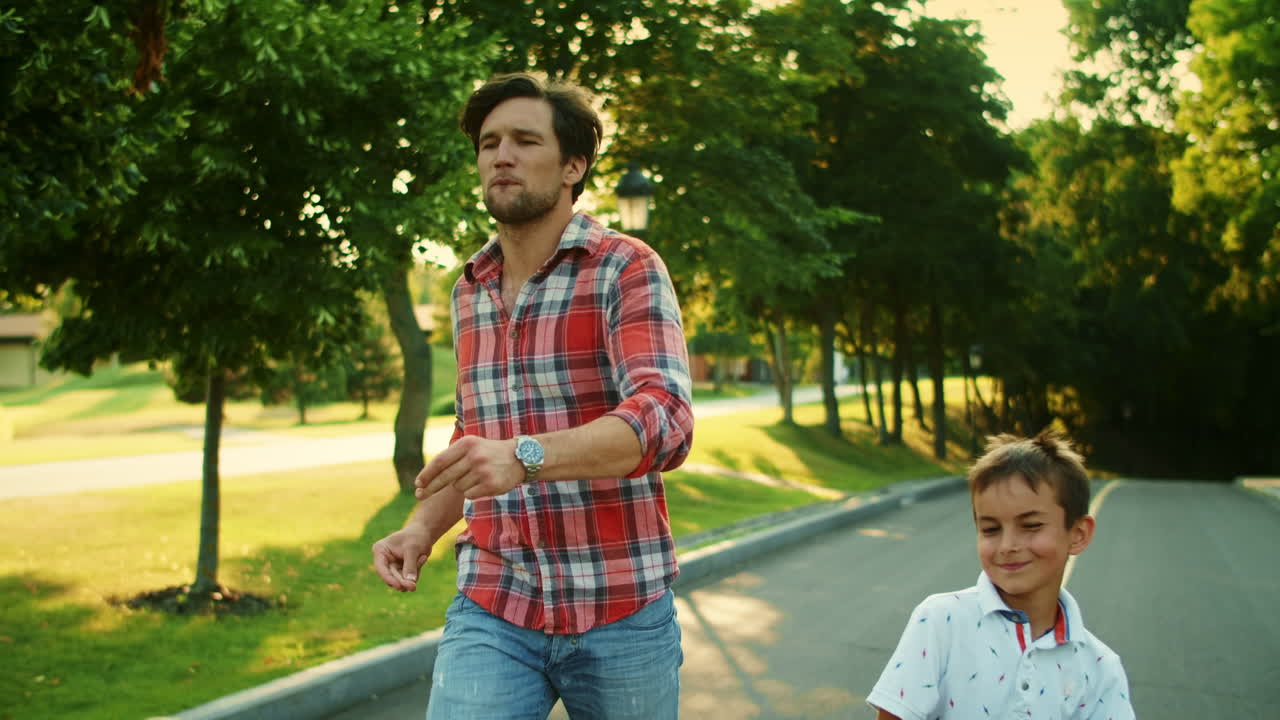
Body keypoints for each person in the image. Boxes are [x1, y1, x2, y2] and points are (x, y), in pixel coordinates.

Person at [371, 72, 693, 720]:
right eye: (489, 143)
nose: (501, 155)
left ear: (574, 164)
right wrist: (419, 528)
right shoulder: (468, 289)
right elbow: (475, 440)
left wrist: (524, 455)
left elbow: (666, 420)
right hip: (495, 605)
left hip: (619, 608)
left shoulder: (626, 267)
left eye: (524, 140)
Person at [867, 430, 1135, 720]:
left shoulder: (1099, 668)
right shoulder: (940, 621)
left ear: (1078, 534)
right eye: (991, 530)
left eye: (1031, 525)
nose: (1007, 546)